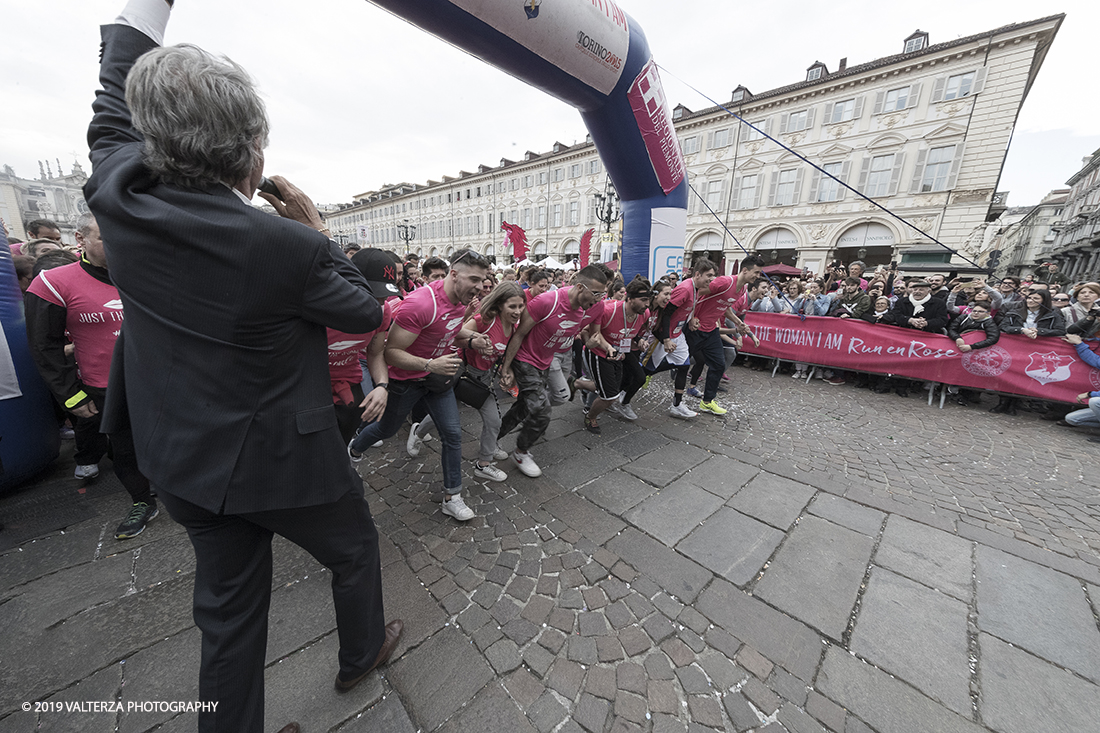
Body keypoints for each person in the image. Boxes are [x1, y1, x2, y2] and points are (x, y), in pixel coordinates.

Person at [85, 4, 400, 731]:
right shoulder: (286, 246)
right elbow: (363, 312)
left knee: (226, 614)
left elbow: (109, 107)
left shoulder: (119, 192)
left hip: (182, 460)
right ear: (253, 154)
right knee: (353, 550)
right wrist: (317, 230)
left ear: (151, 134)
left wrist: (143, 15)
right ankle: (360, 655)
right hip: (286, 462)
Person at [24, 212, 157, 539]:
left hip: (163, 382)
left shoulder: (148, 272)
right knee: (125, 449)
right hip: (107, 386)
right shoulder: (53, 283)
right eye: (104, 238)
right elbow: (45, 347)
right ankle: (142, 501)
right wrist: (71, 395)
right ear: (81, 240)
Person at [348, 249, 495, 520]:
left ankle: (452, 497)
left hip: (437, 381)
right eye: (474, 279)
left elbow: (448, 330)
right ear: (454, 275)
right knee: (386, 429)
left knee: (452, 435)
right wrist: (430, 364)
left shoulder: (464, 300)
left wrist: (474, 340)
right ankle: (355, 448)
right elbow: (390, 352)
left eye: (482, 279)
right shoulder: (421, 303)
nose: (479, 286)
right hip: (406, 381)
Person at [498, 264, 609, 475]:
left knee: (523, 407)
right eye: (595, 294)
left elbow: (579, 333)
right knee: (541, 410)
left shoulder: (585, 309)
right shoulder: (547, 301)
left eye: (602, 295)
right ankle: (521, 452)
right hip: (525, 359)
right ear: (579, 287)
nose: (597, 300)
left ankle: (493, 438)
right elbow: (519, 334)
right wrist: (506, 368)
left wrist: (589, 342)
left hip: (546, 361)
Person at [327, 249, 401, 443]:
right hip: (311, 388)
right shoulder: (322, 308)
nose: (381, 302)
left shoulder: (384, 312)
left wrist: (382, 386)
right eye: (375, 294)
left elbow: (375, 353)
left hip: (350, 390)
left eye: (385, 295)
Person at [684, 254, 762, 413]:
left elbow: (725, 307)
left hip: (711, 330)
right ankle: (646, 371)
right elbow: (696, 292)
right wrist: (691, 317)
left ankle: (707, 401)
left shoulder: (743, 289)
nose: (758, 276)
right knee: (676, 361)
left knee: (719, 365)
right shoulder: (725, 282)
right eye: (757, 272)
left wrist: (739, 322)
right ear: (745, 270)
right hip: (695, 328)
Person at [574, 276, 652, 433]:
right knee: (609, 396)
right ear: (629, 298)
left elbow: (630, 333)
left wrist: (640, 341)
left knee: (610, 390)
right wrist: (608, 347)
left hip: (618, 354)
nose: (647, 304)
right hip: (598, 353)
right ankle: (590, 416)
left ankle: (576, 384)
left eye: (649, 300)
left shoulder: (645, 314)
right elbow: (591, 332)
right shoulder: (608, 310)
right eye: (643, 300)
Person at [648, 259, 717, 418]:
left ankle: (677, 405)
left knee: (684, 366)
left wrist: (691, 318)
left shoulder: (697, 288)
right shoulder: (685, 289)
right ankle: (626, 388)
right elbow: (666, 312)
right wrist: (665, 338)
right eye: (709, 275)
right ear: (698, 274)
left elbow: (687, 308)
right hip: (665, 334)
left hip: (677, 334)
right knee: (647, 369)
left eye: (713, 276)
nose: (711, 279)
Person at [946, 302, 1000, 406]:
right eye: (974, 311)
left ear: (987, 313)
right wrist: (957, 338)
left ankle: (966, 396)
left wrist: (972, 346)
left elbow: (993, 338)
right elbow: (951, 329)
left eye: (980, 311)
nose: (976, 313)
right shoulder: (963, 318)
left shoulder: (989, 323)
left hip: (976, 353)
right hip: (958, 348)